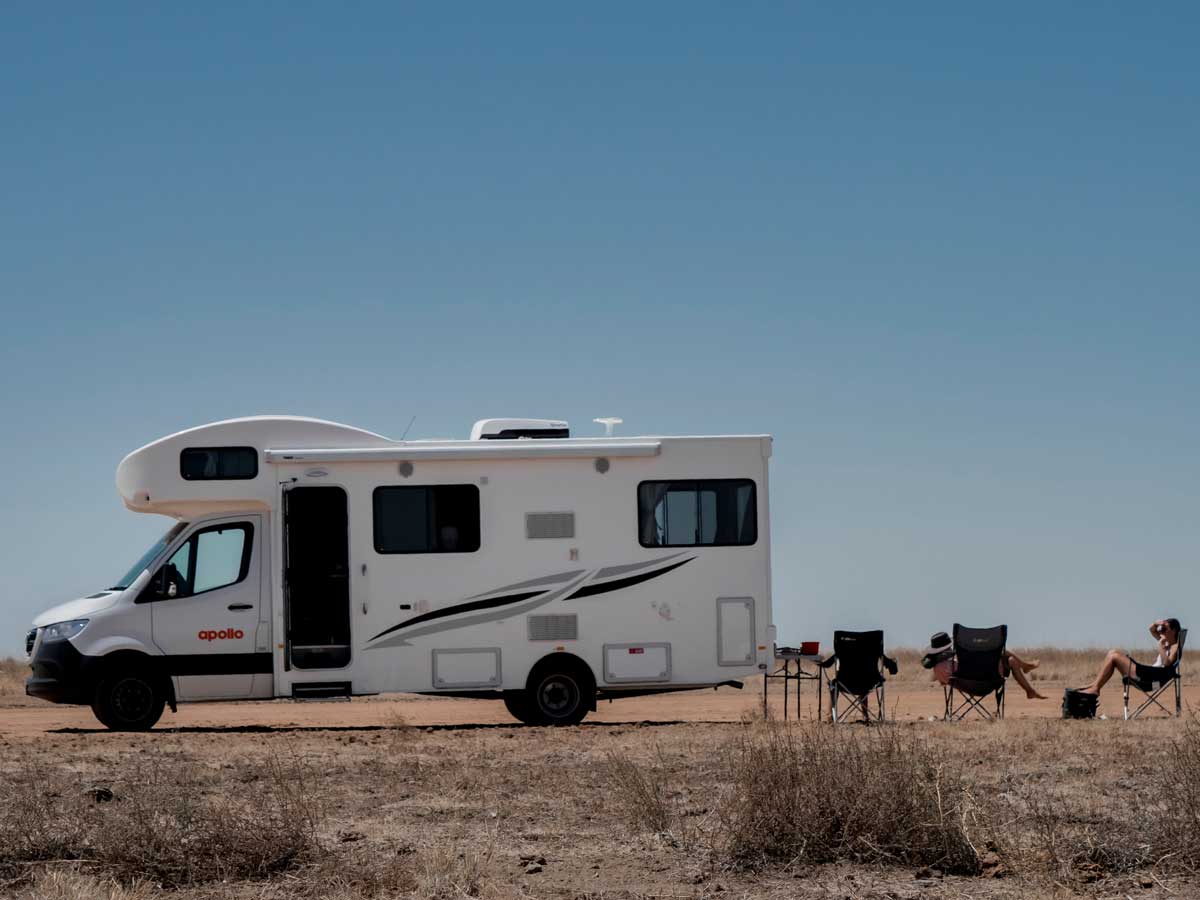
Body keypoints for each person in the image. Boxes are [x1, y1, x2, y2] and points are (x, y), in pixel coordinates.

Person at [921, 631, 1047, 700]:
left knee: (1010, 659)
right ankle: (1026, 669)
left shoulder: (938, 670)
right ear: (946, 648)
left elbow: (950, 682)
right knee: (1007, 656)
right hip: (987, 682)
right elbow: (968, 669)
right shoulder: (954, 661)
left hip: (970, 687)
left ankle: (1029, 685)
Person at [1079, 618, 1182, 695]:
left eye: (1165, 629)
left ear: (1173, 631)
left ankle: (1095, 688)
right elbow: (1151, 629)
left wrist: (1160, 645)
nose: (1162, 631)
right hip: (1150, 673)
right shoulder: (1166, 642)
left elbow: (1167, 663)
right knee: (1113, 652)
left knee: (1114, 656)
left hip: (1153, 677)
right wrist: (1157, 623)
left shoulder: (1175, 646)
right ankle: (1095, 685)